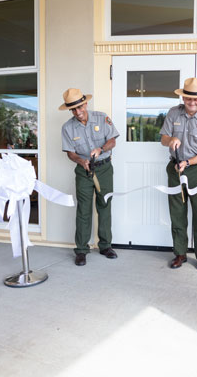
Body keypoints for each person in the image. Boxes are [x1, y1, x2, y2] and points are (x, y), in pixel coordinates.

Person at [160, 77, 197, 272]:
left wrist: (188, 162)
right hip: (175, 168)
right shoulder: (173, 113)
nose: (192, 103)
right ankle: (180, 253)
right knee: (177, 212)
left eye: (196, 100)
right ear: (183, 97)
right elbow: (163, 139)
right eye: (188, 99)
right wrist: (171, 140)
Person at [60, 88, 119, 266]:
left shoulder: (102, 118)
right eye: (74, 109)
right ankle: (81, 250)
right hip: (84, 171)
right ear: (70, 110)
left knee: (105, 205)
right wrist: (80, 161)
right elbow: (70, 153)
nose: (78, 112)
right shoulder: (67, 128)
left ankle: (105, 245)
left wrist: (101, 149)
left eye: (80, 107)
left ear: (86, 103)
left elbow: (113, 141)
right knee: (83, 209)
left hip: (104, 168)